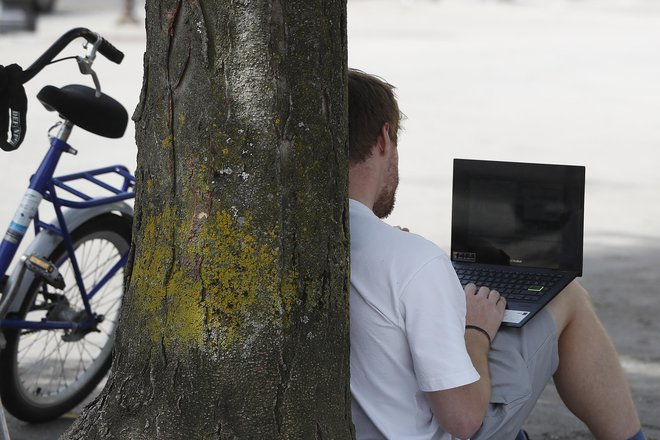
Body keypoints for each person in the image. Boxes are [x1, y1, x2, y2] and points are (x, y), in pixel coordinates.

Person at [347, 68, 646, 440]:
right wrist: (475, 330)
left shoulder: (300, 243)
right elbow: (463, 420)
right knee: (568, 296)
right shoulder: (413, 260)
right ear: (383, 139)